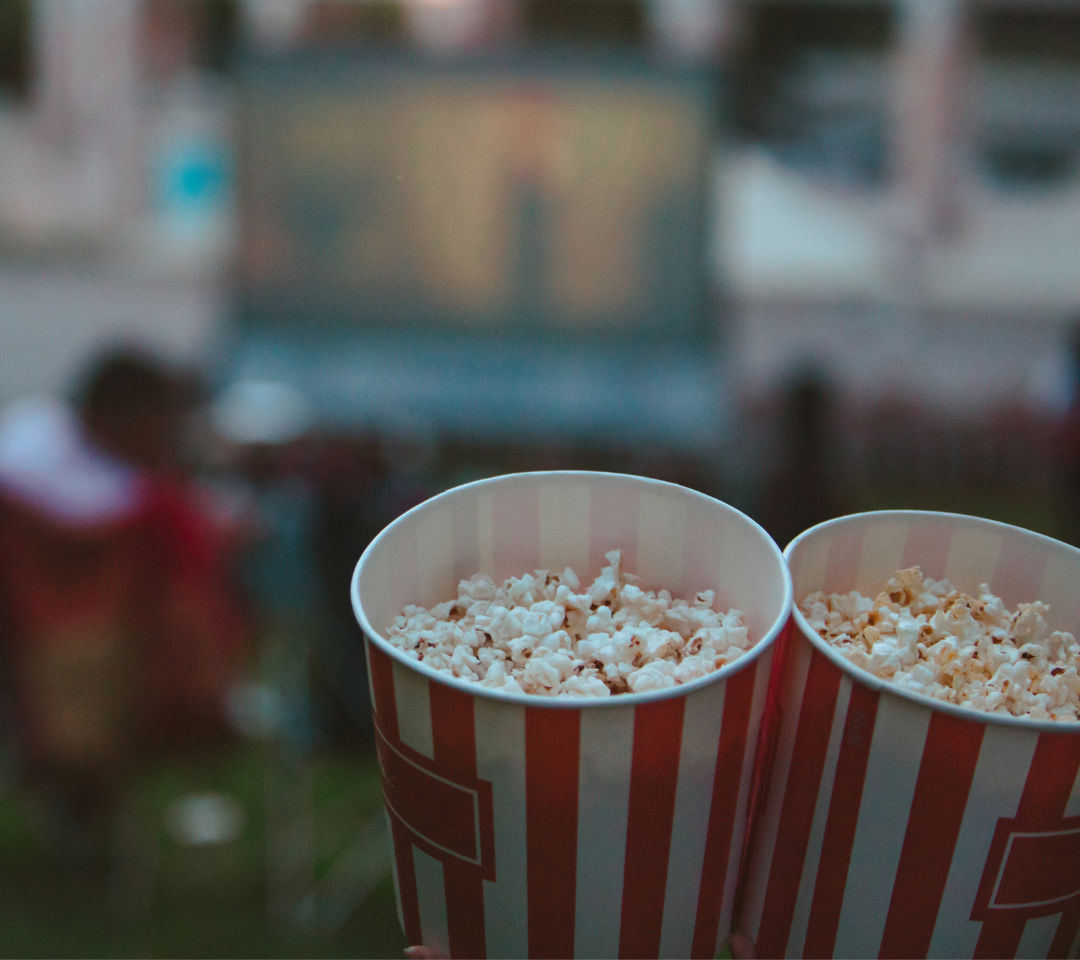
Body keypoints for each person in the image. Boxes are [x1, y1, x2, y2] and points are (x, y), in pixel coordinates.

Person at [0, 348, 250, 850]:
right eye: (162, 424)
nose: (169, 440)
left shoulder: (38, 443)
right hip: (69, 660)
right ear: (118, 418)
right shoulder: (52, 473)